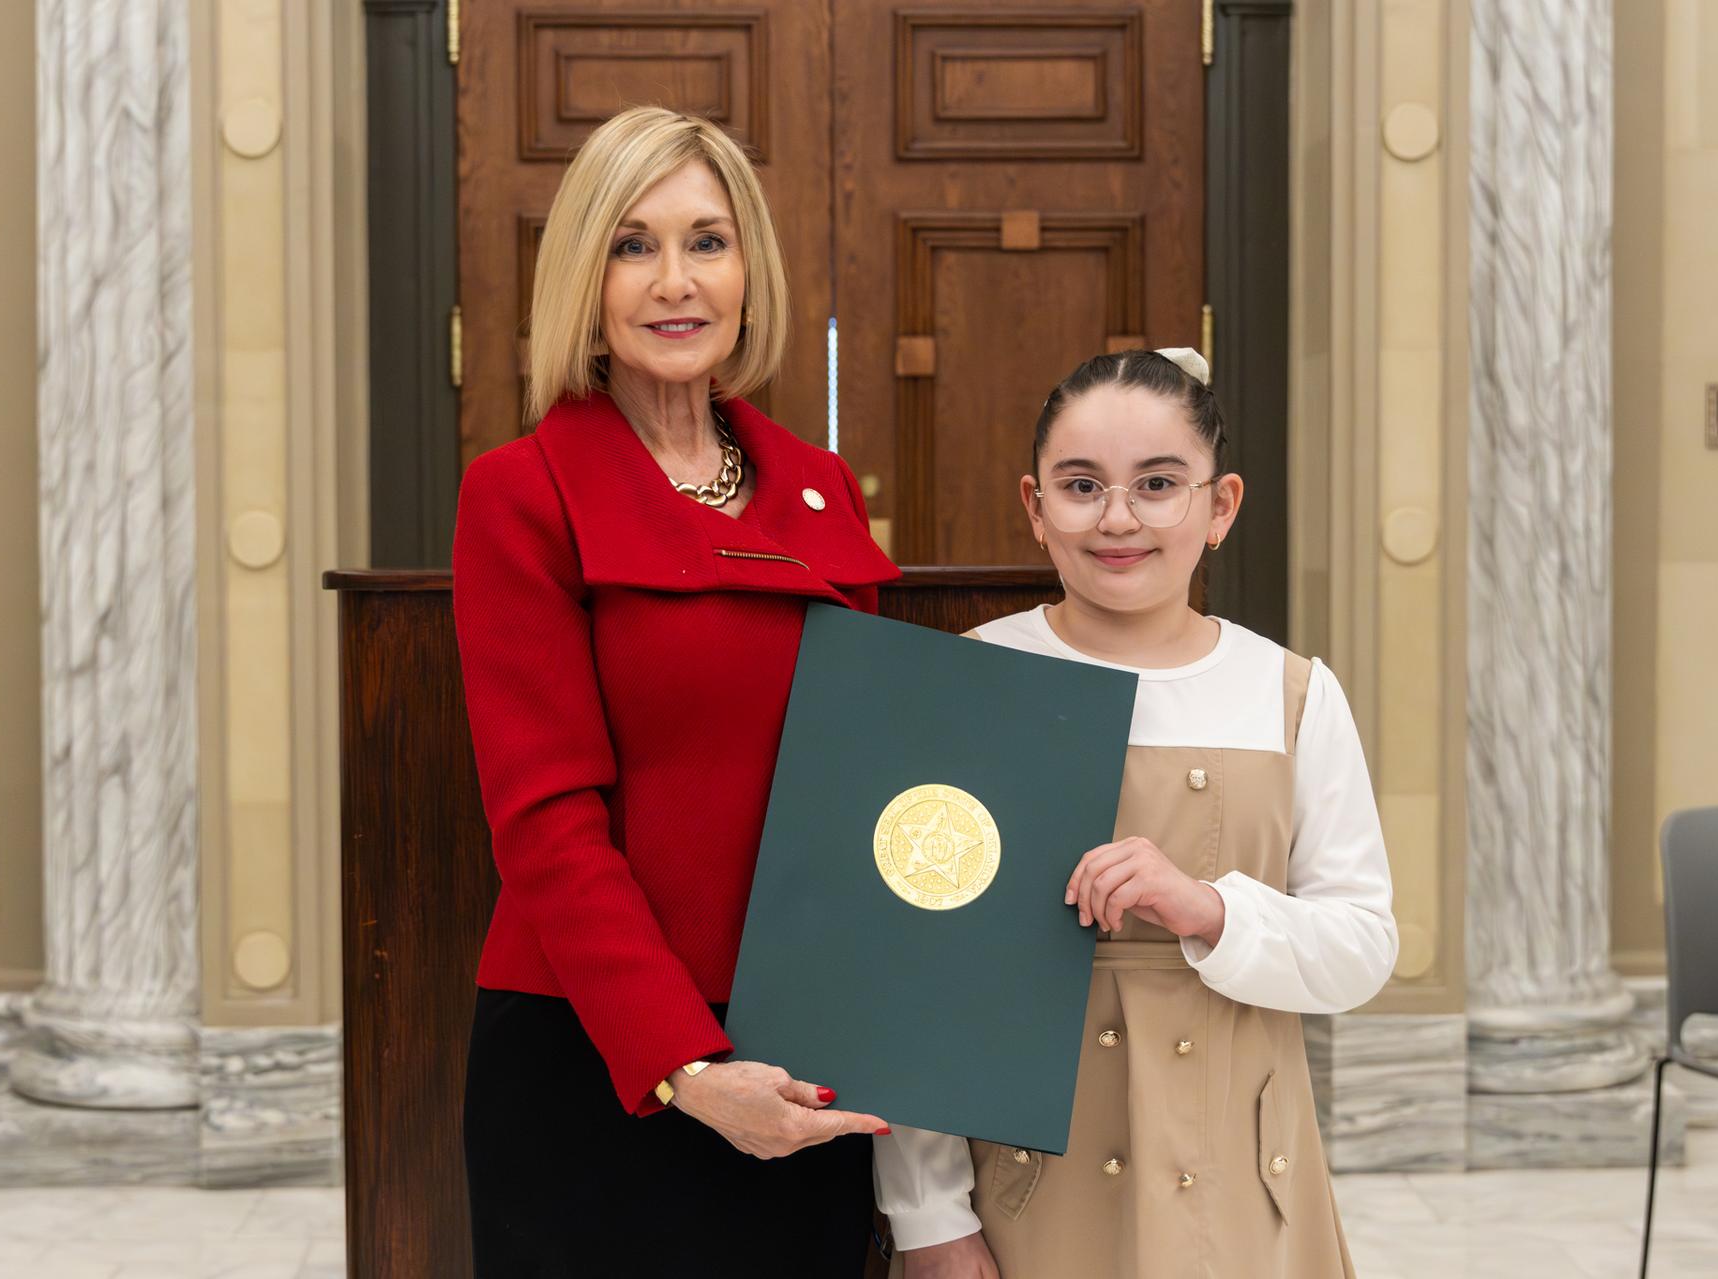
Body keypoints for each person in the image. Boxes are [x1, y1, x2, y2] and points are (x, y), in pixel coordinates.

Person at [452, 106, 901, 1276]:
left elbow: (868, 778)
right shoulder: (520, 494)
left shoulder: (816, 486)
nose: (674, 281)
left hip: (800, 1045)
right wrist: (685, 1067)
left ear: (749, 267)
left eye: (707, 241)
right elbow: (545, 822)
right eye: (632, 244)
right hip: (600, 1056)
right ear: (585, 278)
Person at [875, 348, 1398, 1278]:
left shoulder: (1293, 692)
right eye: (1082, 486)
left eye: (1158, 484)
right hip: (1037, 1183)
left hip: (1247, 1179)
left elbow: (1361, 945)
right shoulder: (976, 682)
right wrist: (929, 1220)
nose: (1119, 518)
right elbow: (917, 984)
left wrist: (1210, 907)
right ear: (1036, 507)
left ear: (1221, 504)